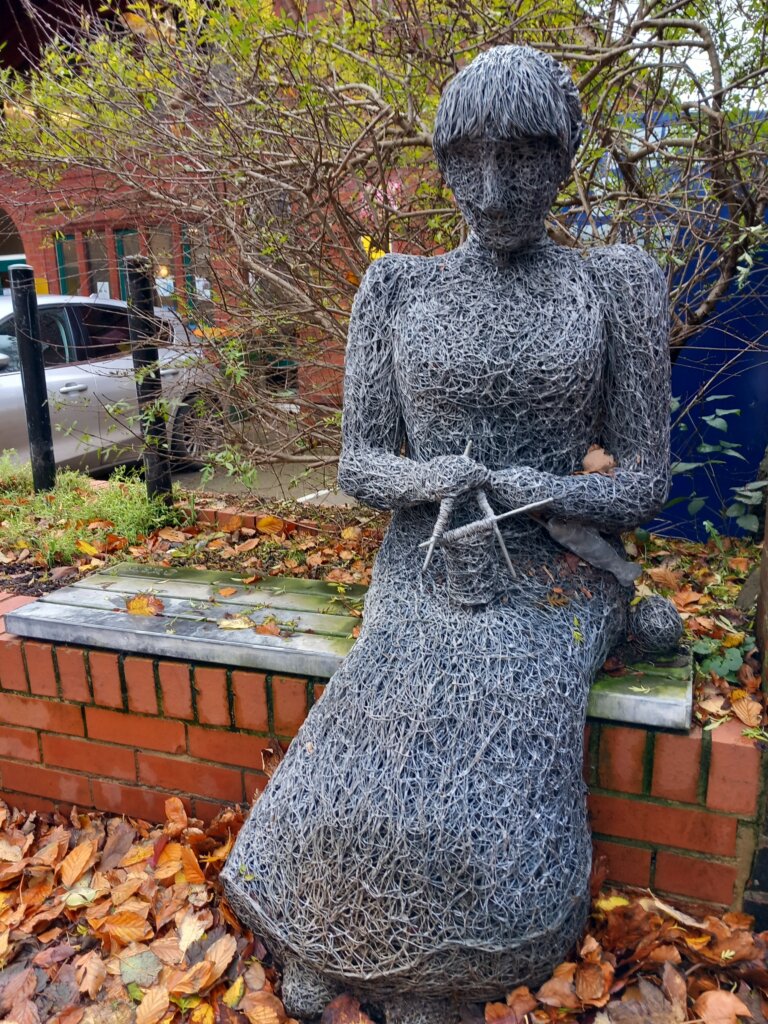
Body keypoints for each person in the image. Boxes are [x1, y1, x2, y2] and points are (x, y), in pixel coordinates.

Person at [222, 45, 671, 1024]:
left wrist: (547, 488)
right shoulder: (398, 290)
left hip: (551, 570)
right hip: (425, 571)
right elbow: (358, 465)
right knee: (363, 730)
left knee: (493, 742)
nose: (492, 188)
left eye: (522, 157)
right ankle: (321, 933)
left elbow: (642, 481)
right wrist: (430, 477)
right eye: (465, 159)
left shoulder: (612, 286)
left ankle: (446, 969)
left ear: (566, 157)